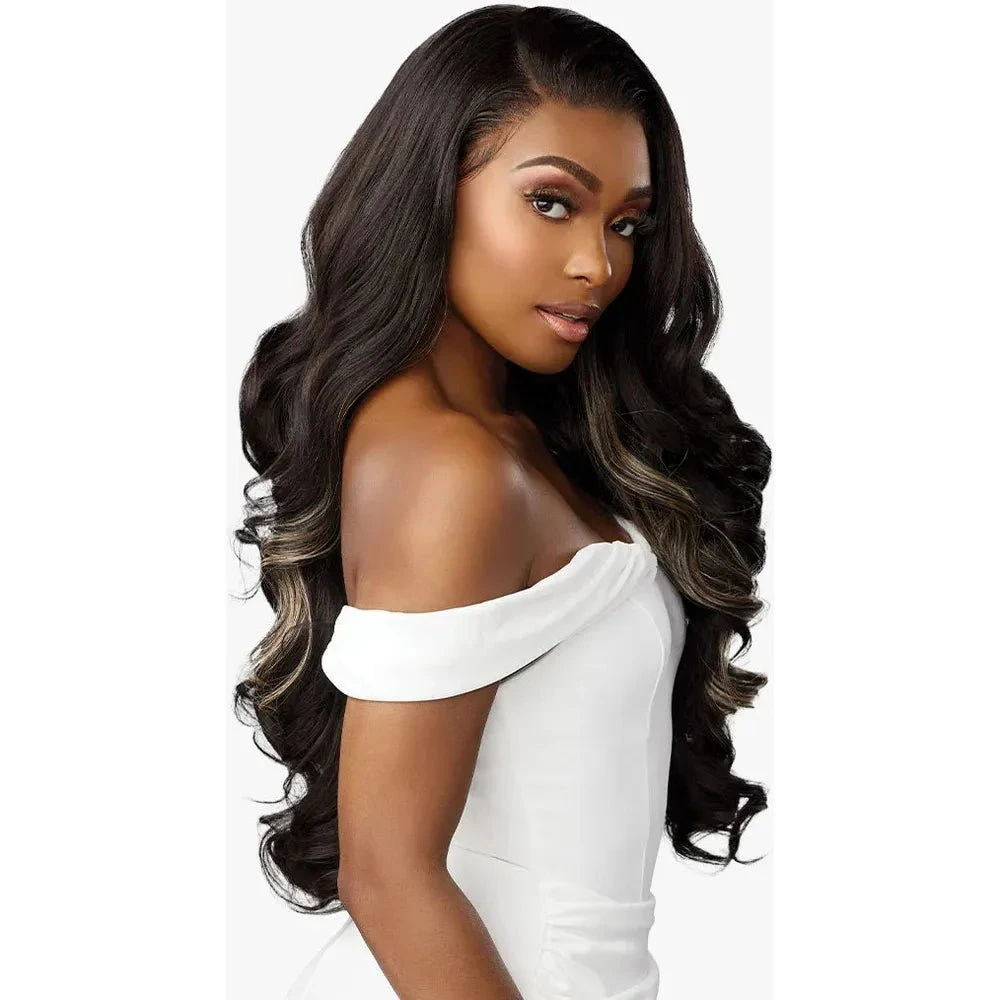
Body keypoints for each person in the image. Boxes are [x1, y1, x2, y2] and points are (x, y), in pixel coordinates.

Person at [233, 5, 771, 998]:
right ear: (432, 192)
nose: (598, 265)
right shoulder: (453, 466)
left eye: (626, 223)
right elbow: (387, 873)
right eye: (552, 203)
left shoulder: (509, 436)